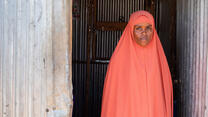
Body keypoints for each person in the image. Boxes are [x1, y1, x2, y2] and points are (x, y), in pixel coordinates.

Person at [100, 10, 173, 117]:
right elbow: (113, 100)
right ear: (131, 30)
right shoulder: (118, 61)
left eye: (148, 28)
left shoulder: (160, 59)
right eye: (138, 28)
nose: (144, 32)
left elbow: (164, 94)